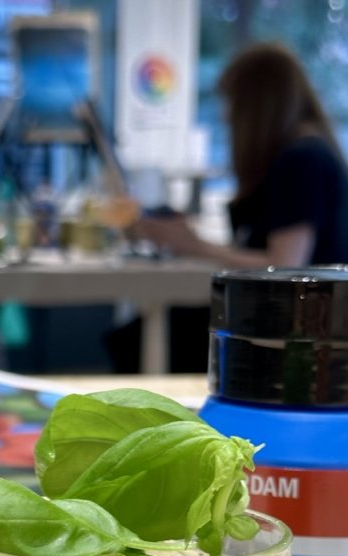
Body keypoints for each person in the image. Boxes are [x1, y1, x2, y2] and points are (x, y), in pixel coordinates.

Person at [125, 41, 348, 372]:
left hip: (294, 336)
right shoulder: (301, 153)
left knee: (140, 338)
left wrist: (195, 245)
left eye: (232, 102)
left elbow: (285, 266)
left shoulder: (301, 159)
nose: (226, 115)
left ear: (257, 104)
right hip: (296, 329)